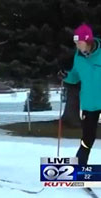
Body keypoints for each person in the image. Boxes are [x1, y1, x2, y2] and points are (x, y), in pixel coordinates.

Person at [59, 24, 101, 164]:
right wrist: (66, 76)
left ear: (88, 41)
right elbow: (75, 77)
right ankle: (80, 167)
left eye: (79, 42)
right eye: (75, 43)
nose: (77, 46)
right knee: (87, 138)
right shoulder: (79, 57)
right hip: (89, 103)